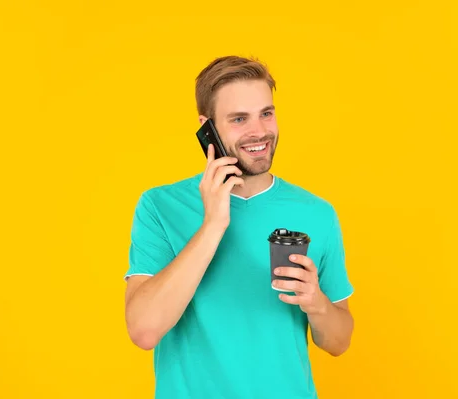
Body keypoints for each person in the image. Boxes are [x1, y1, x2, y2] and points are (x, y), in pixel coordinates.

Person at [123, 55, 355, 399]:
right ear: (208, 127)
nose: (259, 131)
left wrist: (316, 302)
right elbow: (143, 330)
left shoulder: (317, 213)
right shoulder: (160, 206)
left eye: (266, 113)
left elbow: (339, 342)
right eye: (238, 119)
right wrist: (213, 224)